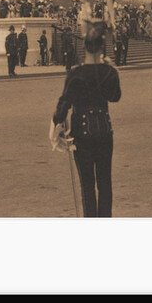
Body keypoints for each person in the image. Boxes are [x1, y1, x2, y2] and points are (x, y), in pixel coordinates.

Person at [50, 19, 122, 217]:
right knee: (105, 182)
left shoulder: (76, 73)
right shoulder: (108, 71)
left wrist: (57, 123)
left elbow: (64, 103)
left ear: (85, 47)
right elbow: (115, 96)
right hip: (104, 129)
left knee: (87, 184)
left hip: (82, 130)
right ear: (102, 47)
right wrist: (112, 70)